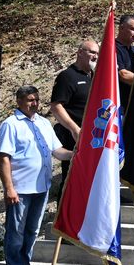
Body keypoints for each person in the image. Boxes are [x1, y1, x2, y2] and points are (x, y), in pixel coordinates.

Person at [0, 85, 73, 265]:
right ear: (19, 101)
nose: (35, 104)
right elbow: (3, 158)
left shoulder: (43, 123)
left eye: (37, 100)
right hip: (21, 189)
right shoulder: (10, 124)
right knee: (16, 232)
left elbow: (57, 151)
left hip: (41, 188)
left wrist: (76, 154)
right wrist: (9, 188)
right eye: (30, 100)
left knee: (31, 231)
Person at [48, 39, 98, 185]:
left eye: (97, 53)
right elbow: (56, 106)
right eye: (92, 52)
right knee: (72, 180)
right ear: (80, 53)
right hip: (75, 138)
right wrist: (74, 128)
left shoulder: (95, 77)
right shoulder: (67, 76)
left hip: (95, 136)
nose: (95, 56)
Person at [115, 14, 134, 101]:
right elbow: (123, 75)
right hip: (118, 103)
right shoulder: (113, 48)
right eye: (133, 29)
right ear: (121, 28)